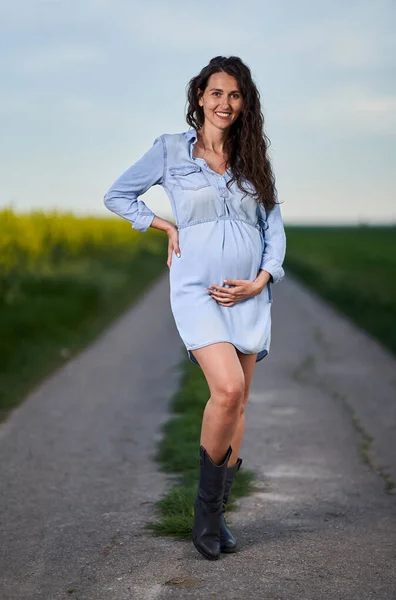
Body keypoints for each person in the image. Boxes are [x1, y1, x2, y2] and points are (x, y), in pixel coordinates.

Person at [103, 55, 286, 560]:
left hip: (249, 294)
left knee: (240, 402)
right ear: (199, 98)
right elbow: (118, 195)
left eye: (234, 94)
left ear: (243, 102)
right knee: (226, 389)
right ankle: (204, 514)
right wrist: (164, 226)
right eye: (216, 93)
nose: (224, 103)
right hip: (197, 289)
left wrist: (261, 281)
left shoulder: (255, 160)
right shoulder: (169, 150)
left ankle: (218, 517)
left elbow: (274, 232)